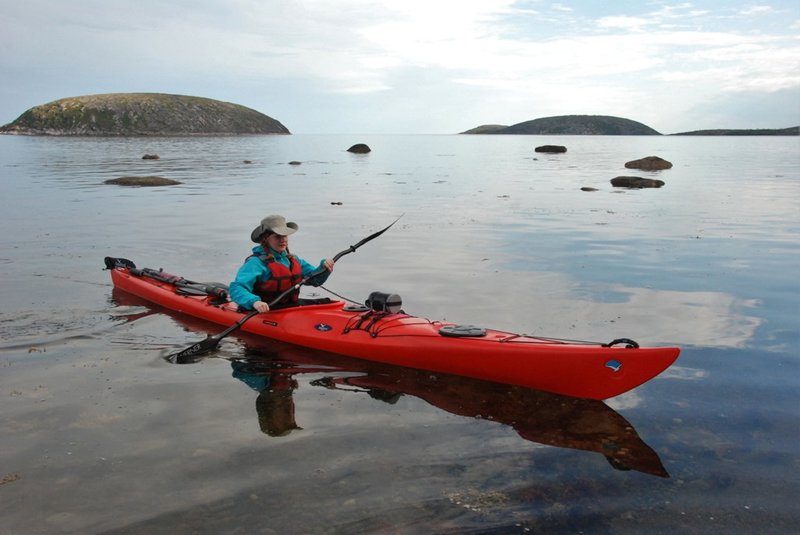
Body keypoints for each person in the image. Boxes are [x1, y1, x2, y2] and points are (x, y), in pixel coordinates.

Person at [229, 215, 334, 312]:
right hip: (264, 310)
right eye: (278, 236)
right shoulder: (255, 263)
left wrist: (324, 268)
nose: (283, 240)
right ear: (265, 239)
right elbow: (236, 288)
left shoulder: (293, 260)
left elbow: (315, 280)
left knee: (327, 302)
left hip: (289, 308)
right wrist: (255, 302)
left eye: (285, 236)